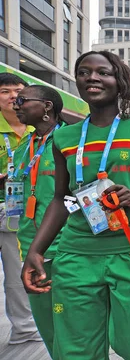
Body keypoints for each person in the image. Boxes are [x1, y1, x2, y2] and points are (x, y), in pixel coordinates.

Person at [21, 51, 130, 359]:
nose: (92, 77)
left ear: (118, 81)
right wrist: (35, 251)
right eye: (84, 72)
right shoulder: (64, 136)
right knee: (77, 350)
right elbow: (61, 199)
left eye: (102, 72)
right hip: (76, 255)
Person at [12, 85, 64, 356]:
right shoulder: (25, 143)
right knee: (47, 326)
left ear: (46, 106)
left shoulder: (69, 140)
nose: (15, 105)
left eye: (21, 100)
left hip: (65, 249)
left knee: (73, 325)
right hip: (30, 247)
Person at [0, 73, 41, 345]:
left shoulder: (35, 131)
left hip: (15, 212)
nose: (14, 96)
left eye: (19, 91)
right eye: (6, 91)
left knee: (17, 271)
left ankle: (24, 329)